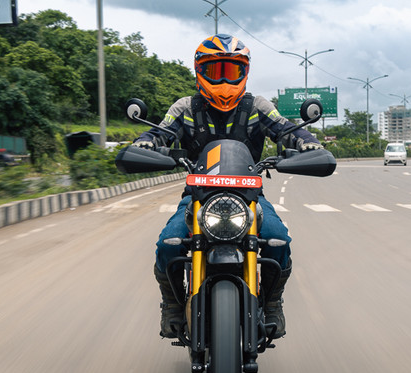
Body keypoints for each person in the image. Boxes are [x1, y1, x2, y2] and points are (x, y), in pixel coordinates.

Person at [132, 34, 323, 340]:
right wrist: (145, 143)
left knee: (278, 241)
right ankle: (171, 304)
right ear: (200, 72)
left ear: (244, 72)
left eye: (231, 71)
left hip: (249, 198)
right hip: (197, 198)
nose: (223, 79)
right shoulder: (185, 107)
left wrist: (309, 144)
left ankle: (272, 302)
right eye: (215, 70)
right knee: (167, 244)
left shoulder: (258, 106)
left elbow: (285, 130)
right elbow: (162, 133)